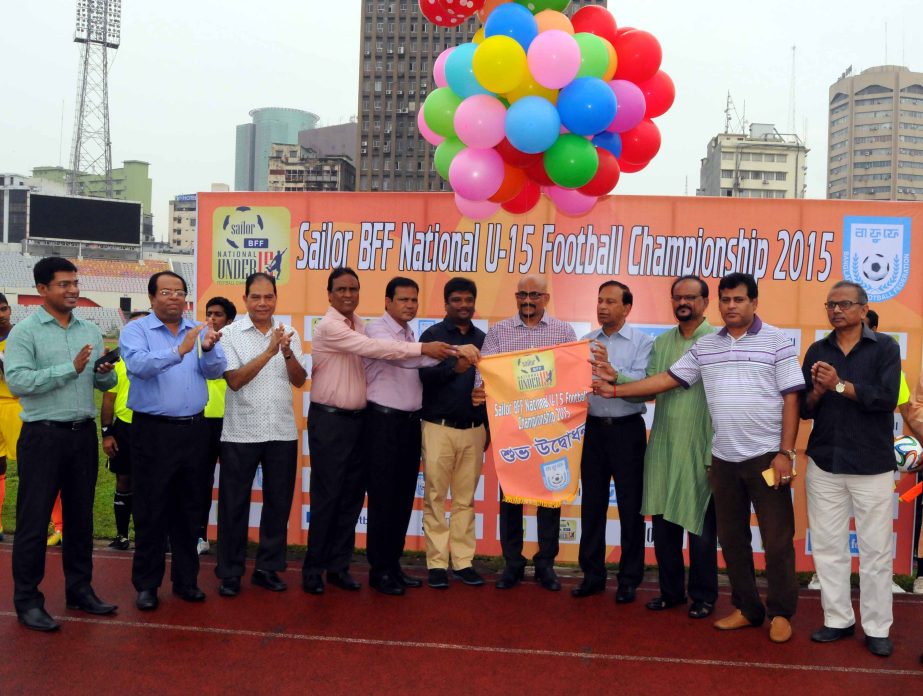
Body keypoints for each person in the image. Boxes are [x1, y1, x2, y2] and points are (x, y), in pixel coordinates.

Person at [592, 273, 804, 643]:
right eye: (726, 300)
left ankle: (781, 612)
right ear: (718, 304)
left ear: (754, 302)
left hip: (766, 458)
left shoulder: (777, 341)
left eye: (738, 299)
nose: (731, 306)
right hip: (723, 458)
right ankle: (747, 608)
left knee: (777, 539)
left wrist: (786, 452)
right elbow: (664, 381)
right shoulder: (707, 348)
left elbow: (791, 398)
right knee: (733, 540)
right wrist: (615, 391)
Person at [302, 267, 456, 595]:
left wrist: (451, 355)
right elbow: (383, 352)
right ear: (329, 294)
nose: (347, 295)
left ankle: (339, 567)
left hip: (361, 420)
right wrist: (425, 350)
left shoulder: (361, 324)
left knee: (351, 499)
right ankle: (313, 569)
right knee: (328, 497)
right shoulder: (333, 327)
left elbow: (411, 361)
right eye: (341, 289)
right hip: (331, 421)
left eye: (353, 289)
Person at [5, 257, 118, 631]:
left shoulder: (89, 329)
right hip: (43, 436)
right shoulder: (25, 333)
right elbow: (19, 381)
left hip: (82, 434)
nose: (73, 290)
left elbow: (99, 385)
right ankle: (27, 600)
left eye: (75, 282)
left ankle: (80, 589)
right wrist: (69, 368)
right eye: (63, 284)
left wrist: (102, 372)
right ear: (41, 290)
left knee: (80, 519)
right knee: (34, 521)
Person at [800, 281, 901, 657]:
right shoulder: (817, 350)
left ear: (863, 308)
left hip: (871, 464)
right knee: (828, 548)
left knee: (875, 551)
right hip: (825, 461)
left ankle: (877, 627)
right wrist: (819, 391)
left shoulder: (885, 347)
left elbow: (886, 398)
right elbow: (806, 408)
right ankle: (838, 619)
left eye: (844, 304)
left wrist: (839, 385)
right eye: (831, 304)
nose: (836, 310)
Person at [363, 277, 480, 596]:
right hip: (385, 422)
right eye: (403, 300)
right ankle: (381, 570)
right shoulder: (381, 332)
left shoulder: (411, 333)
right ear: (387, 302)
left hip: (411, 423)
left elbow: (423, 358)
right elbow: (404, 356)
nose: (410, 305)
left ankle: (392, 566)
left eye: (414, 300)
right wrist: (455, 354)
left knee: (401, 500)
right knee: (385, 500)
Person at [120, 271, 226, 611]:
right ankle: (147, 585)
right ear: (152, 298)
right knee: (151, 509)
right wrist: (178, 350)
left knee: (190, 509)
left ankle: (186, 581)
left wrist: (208, 349)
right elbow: (137, 366)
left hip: (195, 431)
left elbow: (214, 371)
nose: (175, 298)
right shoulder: (136, 330)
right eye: (166, 292)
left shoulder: (197, 329)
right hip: (153, 431)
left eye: (180, 292)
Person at [617, 276, 719, 618]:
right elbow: (648, 388)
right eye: (678, 297)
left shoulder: (718, 342)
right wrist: (613, 376)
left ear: (706, 302)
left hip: (701, 446)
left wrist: (710, 454)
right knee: (663, 527)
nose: (683, 303)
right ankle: (672, 592)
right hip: (662, 446)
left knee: (701, 529)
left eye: (691, 297)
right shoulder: (662, 343)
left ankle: (703, 596)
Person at [474, 275, 577, 592]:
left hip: (550, 429)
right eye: (523, 294)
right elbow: (485, 374)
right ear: (516, 297)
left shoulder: (563, 332)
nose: (528, 300)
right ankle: (513, 564)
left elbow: (571, 376)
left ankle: (546, 564)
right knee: (511, 500)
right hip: (512, 432)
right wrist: (481, 391)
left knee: (550, 496)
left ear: (546, 297)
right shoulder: (499, 333)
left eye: (535, 294)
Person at [215, 273, 306, 597]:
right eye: (256, 297)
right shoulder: (229, 334)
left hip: (281, 431)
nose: (263, 303)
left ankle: (267, 568)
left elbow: (299, 380)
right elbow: (235, 380)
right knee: (233, 505)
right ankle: (229, 572)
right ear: (245, 299)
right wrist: (269, 352)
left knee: (278, 505)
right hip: (240, 432)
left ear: (276, 298)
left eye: (269, 297)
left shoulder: (289, 332)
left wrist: (286, 352)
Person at [572, 281, 653, 604]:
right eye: (599, 301)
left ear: (627, 308)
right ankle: (592, 575)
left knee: (631, 508)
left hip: (627, 431)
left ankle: (629, 578)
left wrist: (612, 371)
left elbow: (648, 387)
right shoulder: (585, 342)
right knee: (592, 505)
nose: (602, 307)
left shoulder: (643, 343)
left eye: (610, 301)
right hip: (592, 430)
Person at [418, 277, 486, 590]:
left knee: (464, 500)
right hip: (438, 427)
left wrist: (489, 425)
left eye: (468, 300)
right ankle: (435, 562)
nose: (463, 305)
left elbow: (493, 385)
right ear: (446, 303)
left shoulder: (486, 339)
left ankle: (463, 561)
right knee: (434, 497)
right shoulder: (432, 336)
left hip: (474, 429)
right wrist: (455, 367)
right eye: (456, 300)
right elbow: (424, 379)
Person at [100, 310, 150, 550]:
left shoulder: (162, 356)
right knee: (124, 480)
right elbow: (108, 399)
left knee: (153, 482)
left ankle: (150, 536)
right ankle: (122, 536)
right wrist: (107, 433)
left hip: (154, 428)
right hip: (125, 428)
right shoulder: (118, 360)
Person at [197, 296, 237, 555]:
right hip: (202, 423)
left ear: (230, 320)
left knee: (233, 484)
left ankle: (230, 539)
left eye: (218, 314)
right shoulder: (197, 342)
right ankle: (200, 536)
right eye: (209, 313)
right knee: (201, 481)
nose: (212, 318)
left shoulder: (238, 343)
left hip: (234, 421)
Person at [0, 292, 22, 543]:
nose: (1, 315)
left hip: (18, 405)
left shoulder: (21, 337)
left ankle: (59, 525)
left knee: (33, 468)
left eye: (4, 309)